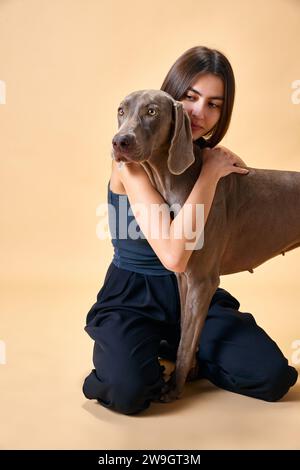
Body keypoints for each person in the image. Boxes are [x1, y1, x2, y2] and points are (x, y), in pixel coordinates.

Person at [83, 46, 298, 415]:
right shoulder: (130, 165)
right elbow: (174, 256)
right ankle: (149, 353)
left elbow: (197, 270)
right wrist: (211, 173)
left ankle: (183, 346)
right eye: (190, 98)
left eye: (214, 104)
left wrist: (212, 168)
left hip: (193, 298)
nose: (200, 112)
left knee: (272, 377)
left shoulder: (206, 161)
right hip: (135, 298)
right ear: (172, 100)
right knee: (128, 389)